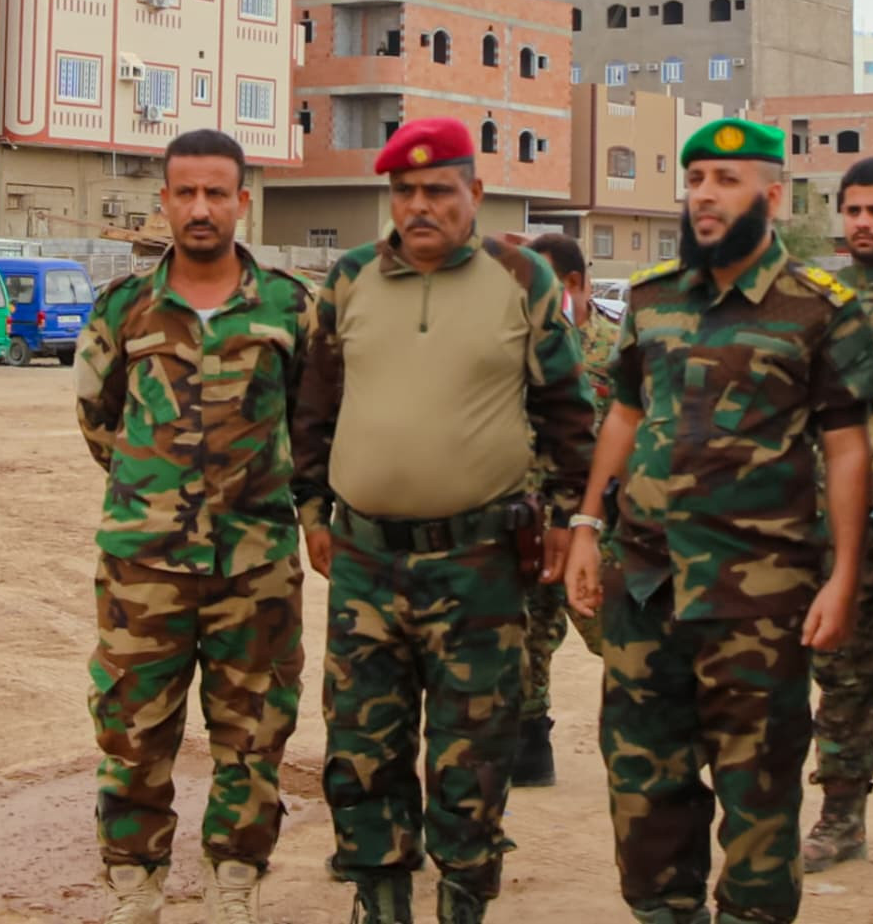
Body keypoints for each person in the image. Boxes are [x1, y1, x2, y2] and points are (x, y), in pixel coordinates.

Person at [566, 118, 873, 924]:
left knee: (759, 800)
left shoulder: (820, 310)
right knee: (644, 791)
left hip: (760, 599)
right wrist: (587, 524)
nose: (704, 195)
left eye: (726, 180)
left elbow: (847, 447)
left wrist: (844, 575)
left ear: (772, 196)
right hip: (648, 586)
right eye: (697, 178)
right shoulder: (652, 298)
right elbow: (625, 414)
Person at [292, 117, 595, 923]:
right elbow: (314, 404)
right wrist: (312, 508)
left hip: (478, 563)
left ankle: (463, 903)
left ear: (475, 192)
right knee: (363, 750)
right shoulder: (351, 278)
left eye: (437, 189)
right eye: (404, 191)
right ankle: (380, 902)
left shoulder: (521, 278)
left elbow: (568, 410)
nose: (419, 205)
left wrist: (569, 518)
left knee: (474, 755)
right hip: (365, 559)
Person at [76, 129, 313, 924]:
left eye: (217, 192)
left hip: (257, 565)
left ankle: (233, 881)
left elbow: (314, 421)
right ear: (166, 201)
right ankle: (135, 886)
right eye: (186, 192)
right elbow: (99, 419)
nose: (201, 207)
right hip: (144, 565)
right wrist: (155, 492)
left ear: (243, 200)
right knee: (132, 725)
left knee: (255, 729)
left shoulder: (289, 306)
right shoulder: (125, 307)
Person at [800, 155, 873, 869]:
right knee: (841, 674)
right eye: (853, 210)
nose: (863, 223)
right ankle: (841, 817)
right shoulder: (823, 299)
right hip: (838, 520)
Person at [512, 229, 621, 789]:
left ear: (577, 284)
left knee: (619, 633)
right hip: (534, 515)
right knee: (529, 634)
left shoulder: (615, 348)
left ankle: (638, 743)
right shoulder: (520, 346)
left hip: (600, 521)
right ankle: (531, 744)